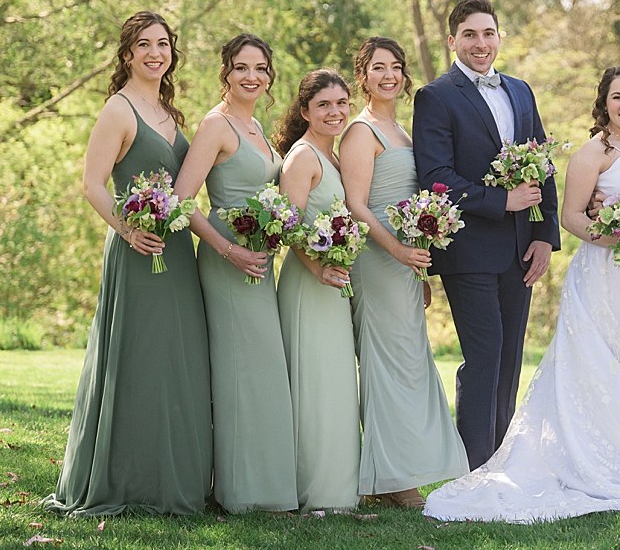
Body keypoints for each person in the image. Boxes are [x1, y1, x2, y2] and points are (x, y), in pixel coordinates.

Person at [424, 66, 620, 522]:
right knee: (606, 363)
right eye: (616, 98)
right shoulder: (594, 152)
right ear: (603, 104)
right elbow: (571, 216)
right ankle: (599, 456)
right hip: (610, 272)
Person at [43, 11, 212, 516]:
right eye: (144, 44)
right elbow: (93, 185)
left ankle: (169, 482)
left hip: (177, 253)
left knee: (174, 366)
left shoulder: (168, 111)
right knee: (136, 362)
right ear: (127, 55)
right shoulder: (118, 111)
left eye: (163, 44)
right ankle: (124, 480)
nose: (155, 52)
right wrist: (128, 228)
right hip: (138, 252)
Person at [412, 0, 560, 470]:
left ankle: (503, 461)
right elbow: (435, 176)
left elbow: (543, 165)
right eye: (471, 35)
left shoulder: (520, 91)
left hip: (521, 248)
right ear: (452, 40)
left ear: (499, 37)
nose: (481, 43)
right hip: (469, 249)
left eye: (489, 33)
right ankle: (474, 467)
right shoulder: (436, 96)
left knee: (511, 355)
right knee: (484, 354)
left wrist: (544, 234)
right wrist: (501, 202)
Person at [342, 37, 467, 509]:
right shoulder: (360, 131)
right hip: (376, 261)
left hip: (405, 262)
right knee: (386, 363)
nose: (389, 75)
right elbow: (356, 205)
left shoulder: (404, 131)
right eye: (378, 68)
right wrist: (395, 249)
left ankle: (392, 474)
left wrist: (420, 269)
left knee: (410, 361)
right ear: (363, 75)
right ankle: (393, 479)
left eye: (396, 67)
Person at [175, 34, 298, 514]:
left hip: (259, 259)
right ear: (225, 72)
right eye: (242, 67)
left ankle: (266, 486)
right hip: (228, 261)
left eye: (261, 68)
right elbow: (183, 200)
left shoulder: (257, 127)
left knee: (263, 371)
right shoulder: (216, 125)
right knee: (240, 373)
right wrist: (228, 250)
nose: (253, 76)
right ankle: (239, 492)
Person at [275, 70, 361, 511]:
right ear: (305, 111)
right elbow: (288, 226)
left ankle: (340, 488)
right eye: (324, 105)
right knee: (313, 385)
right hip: (308, 284)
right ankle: (312, 491)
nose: (335, 112)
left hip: (334, 283)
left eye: (342, 103)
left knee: (335, 384)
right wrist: (318, 268)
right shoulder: (303, 157)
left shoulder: (338, 157)